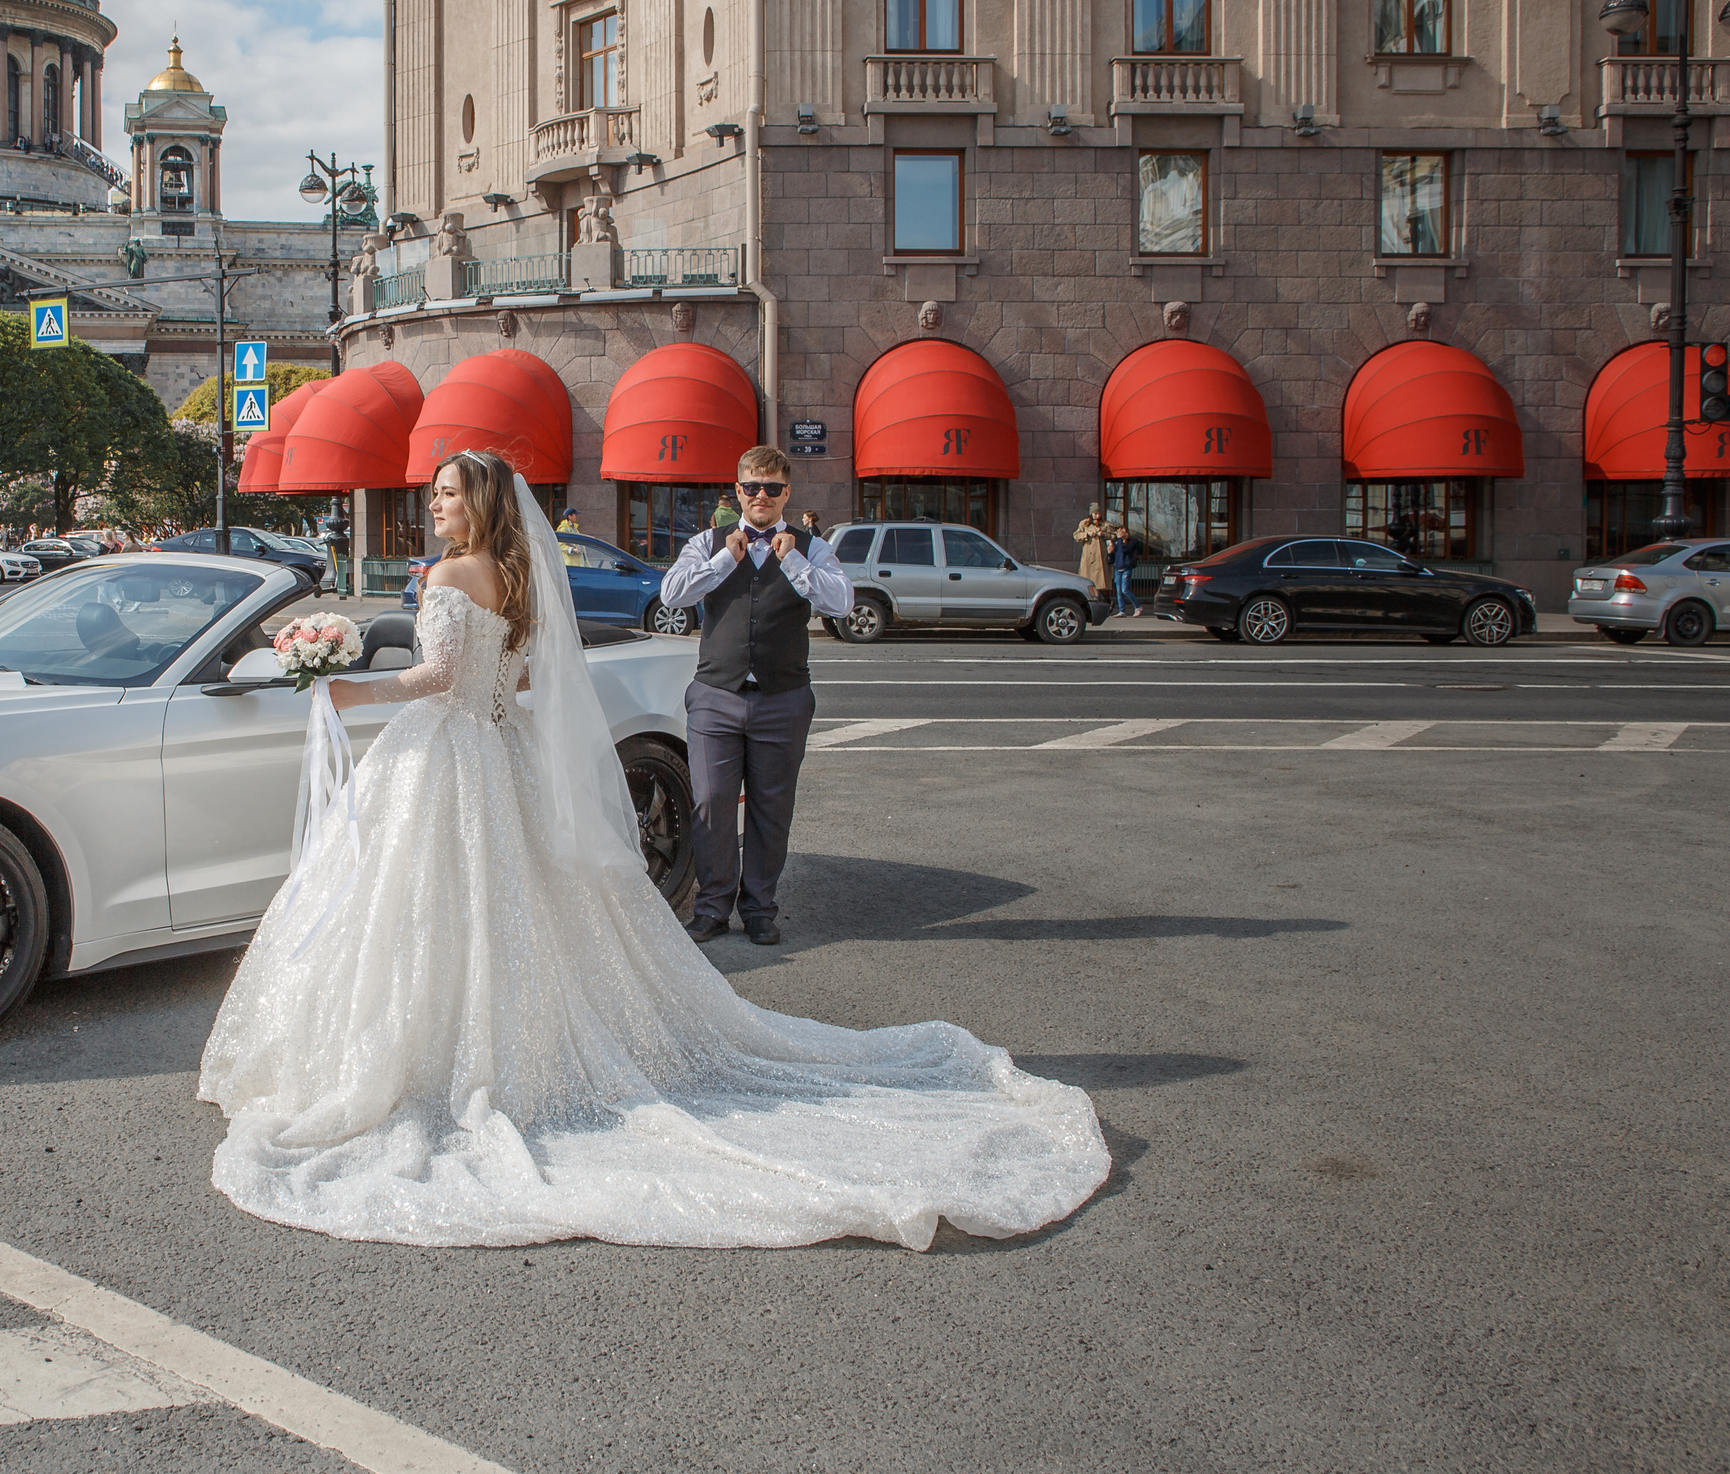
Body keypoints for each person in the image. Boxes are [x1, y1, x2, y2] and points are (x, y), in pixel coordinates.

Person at [198, 447, 1108, 1251]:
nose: (433, 505)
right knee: (516, 908)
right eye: (433, 494)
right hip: (499, 752)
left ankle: (434, 1057)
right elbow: (512, 678)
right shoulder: (513, 578)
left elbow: (438, 677)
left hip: (445, 755)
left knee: (430, 907)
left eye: (445, 493)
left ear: (477, 503)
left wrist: (343, 687)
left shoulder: (446, 577)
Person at [657, 447, 853, 946]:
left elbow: (842, 602)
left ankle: (760, 907)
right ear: (738, 489)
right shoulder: (707, 542)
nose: (760, 496)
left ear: (787, 492)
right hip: (716, 694)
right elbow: (673, 593)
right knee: (712, 803)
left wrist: (794, 563)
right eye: (751, 487)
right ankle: (713, 906)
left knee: (772, 806)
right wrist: (728, 557)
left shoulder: (810, 546)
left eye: (771, 488)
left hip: (782, 696)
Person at [1073, 504, 1112, 606]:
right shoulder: (1084, 524)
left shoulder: (1105, 525)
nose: (1096, 516)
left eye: (1098, 513)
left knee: (1102, 584)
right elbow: (1076, 535)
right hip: (1089, 558)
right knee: (1087, 582)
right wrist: (1086, 535)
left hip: (1100, 558)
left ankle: (1106, 602)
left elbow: (1114, 536)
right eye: (1094, 513)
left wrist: (1103, 534)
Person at [1108, 524, 1140, 617]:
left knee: (1125, 590)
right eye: (1119, 531)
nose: (1120, 533)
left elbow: (1125, 550)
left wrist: (1120, 540)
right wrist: (1110, 553)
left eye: (1122, 531)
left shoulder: (1131, 542)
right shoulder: (1118, 542)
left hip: (1126, 568)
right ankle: (1122, 611)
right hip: (1118, 569)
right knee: (1119, 591)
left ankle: (1137, 606)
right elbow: (1113, 556)